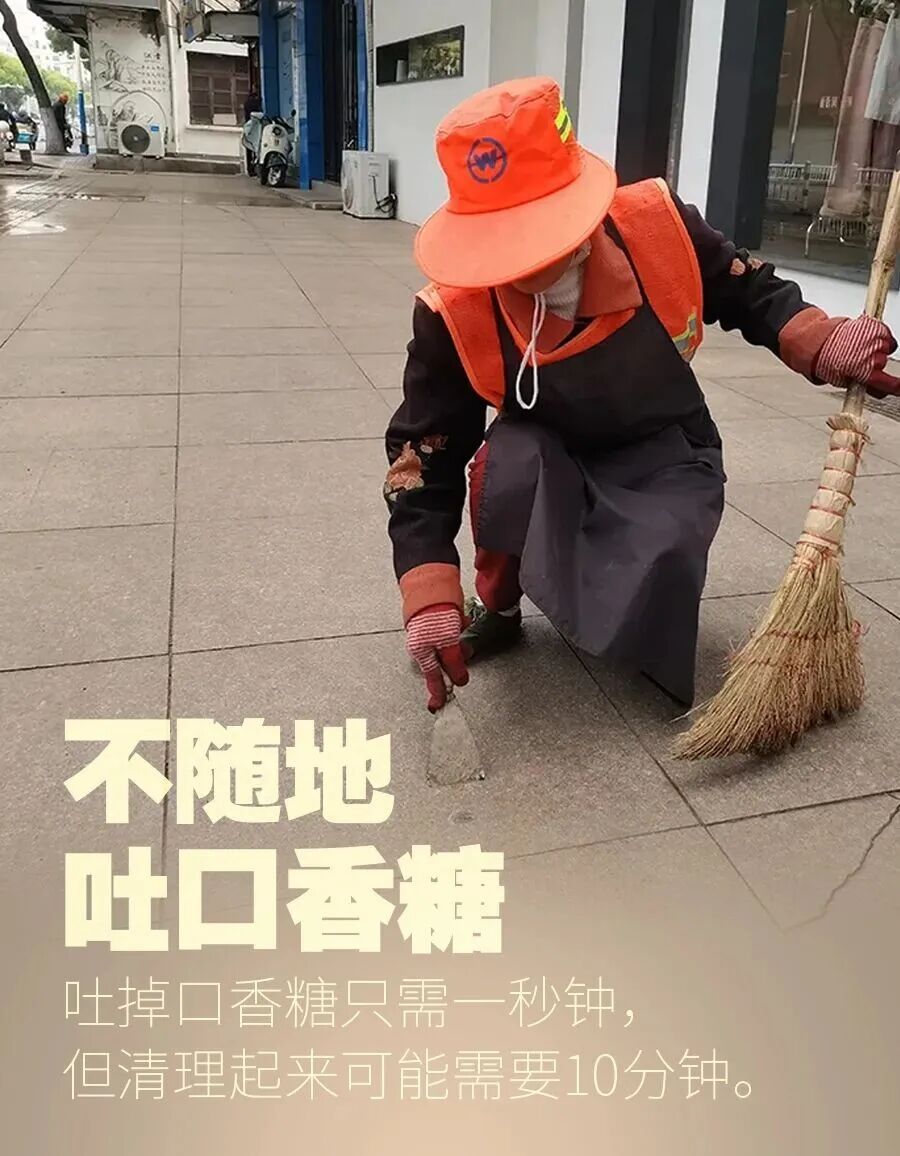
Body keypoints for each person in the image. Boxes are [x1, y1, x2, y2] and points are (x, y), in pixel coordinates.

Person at [384, 77, 900, 712]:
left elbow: (748, 290)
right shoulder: (453, 312)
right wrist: (427, 588)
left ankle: (645, 620)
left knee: (666, 553)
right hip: (546, 447)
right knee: (504, 468)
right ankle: (498, 605)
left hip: (663, 441)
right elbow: (424, 455)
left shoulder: (655, 226)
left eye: (538, 231)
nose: (524, 261)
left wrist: (819, 339)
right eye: (503, 241)